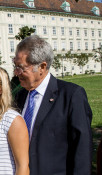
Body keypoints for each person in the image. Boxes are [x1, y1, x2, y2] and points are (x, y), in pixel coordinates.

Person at [14, 35, 92, 175]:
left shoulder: (71, 96)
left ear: (42, 67)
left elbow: (82, 149)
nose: (16, 73)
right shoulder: (20, 96)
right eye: (15, 66)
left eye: (21, 68)